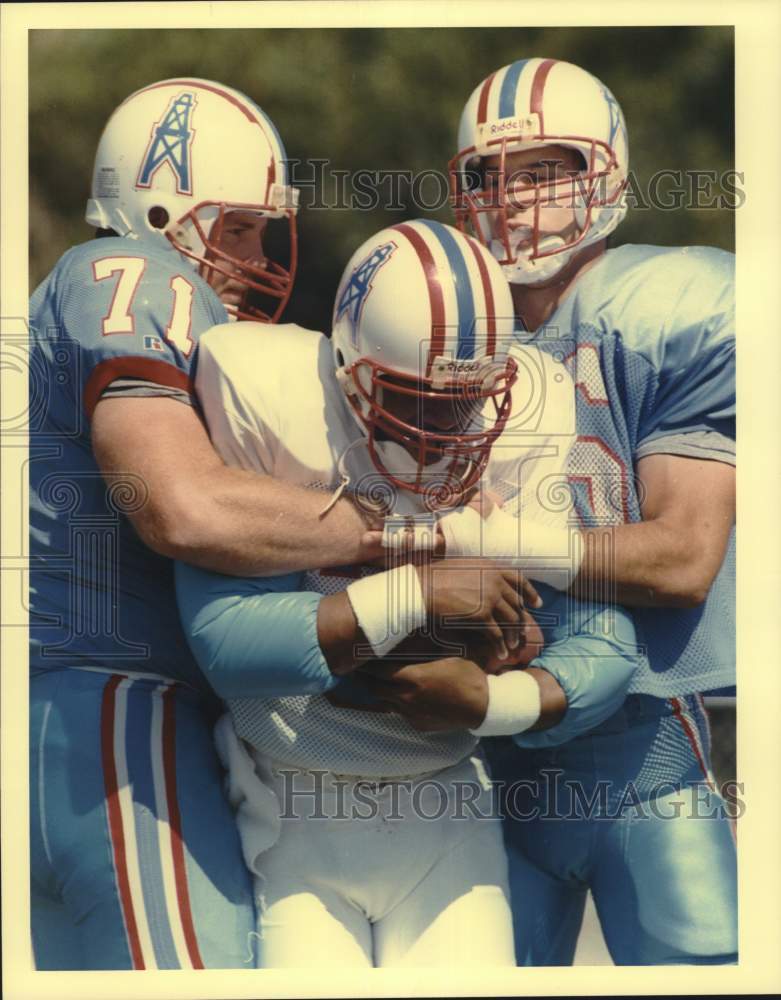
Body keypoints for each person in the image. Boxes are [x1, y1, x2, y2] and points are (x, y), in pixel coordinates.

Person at [175, 219, 643, 967]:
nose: (448, 430)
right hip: (287, 808)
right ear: (351, 373)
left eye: (467, 401)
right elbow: (224, 642)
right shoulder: (271, 399)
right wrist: (420, 597)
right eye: (416, 400)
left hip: (444, 806)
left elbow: (608, 642)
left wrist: (494, 704)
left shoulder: (527, 421)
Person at [28, 77, 405, 971]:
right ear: (157, 212)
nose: (257, 257)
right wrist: (404, 532)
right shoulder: (127, 272)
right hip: (112, 718)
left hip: (70, 717)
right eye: (236, 227)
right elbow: (182, 507)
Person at [370, 56, 736, 965]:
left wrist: (476, 541)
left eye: (543, 170)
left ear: (604, 170)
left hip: (649, 748)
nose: (512, 200)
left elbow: (682, 555)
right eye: (488, 176)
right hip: (484, 757)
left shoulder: (665, 309)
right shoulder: (435, 317)